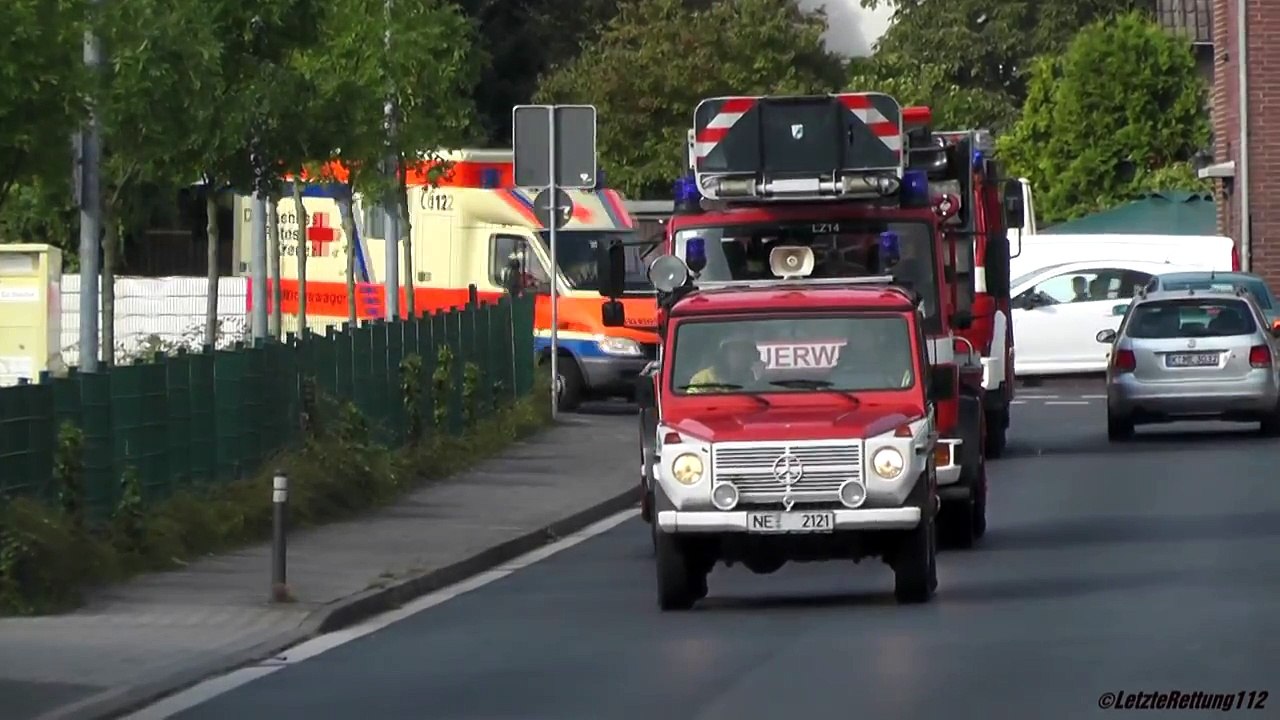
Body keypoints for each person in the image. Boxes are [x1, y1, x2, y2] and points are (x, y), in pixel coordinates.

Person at [829, 323, 912, 389]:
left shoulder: (889, 369)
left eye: (865, 332)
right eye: (857, 333)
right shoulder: (838, 375)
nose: (861, 337)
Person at [685, 335, 765, 393]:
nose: (740, 356)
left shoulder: (754, 379)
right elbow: (691, 405)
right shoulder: (703, 379)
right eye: (735, 350)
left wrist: (758, 381)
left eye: (745, 351)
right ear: (724, 354)